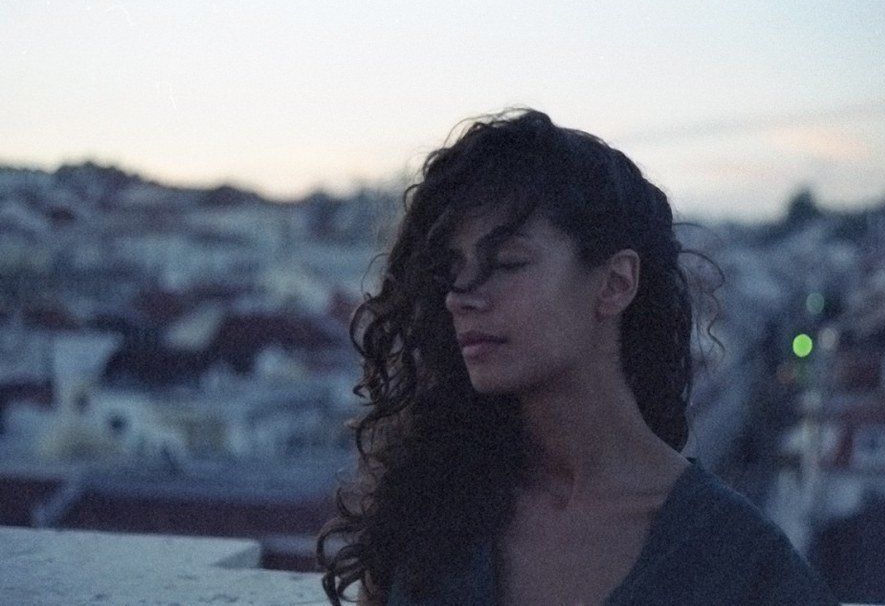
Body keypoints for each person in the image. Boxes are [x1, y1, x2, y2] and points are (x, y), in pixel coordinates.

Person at [316, 109, 838, 605]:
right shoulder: (429, 514)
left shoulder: (741, 565)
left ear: (615, 284)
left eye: (507, 262)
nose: (460, 296)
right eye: (452, 269)